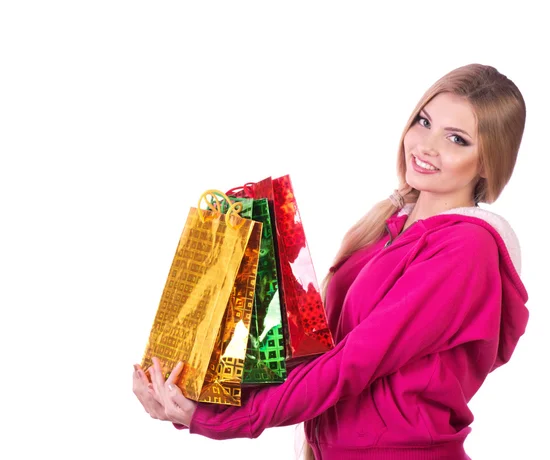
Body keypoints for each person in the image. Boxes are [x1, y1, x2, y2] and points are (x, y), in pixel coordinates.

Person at [133, 63, 529, 460]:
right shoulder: (383, 231)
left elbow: (352, 362)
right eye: (424, 122)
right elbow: (317, 353)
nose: (426, 146)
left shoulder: (466, 248)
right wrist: (196, 395)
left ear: (487, 162)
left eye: (457, 139)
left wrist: (231, 420)